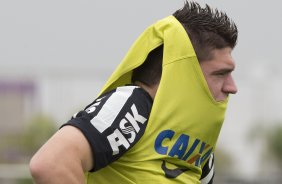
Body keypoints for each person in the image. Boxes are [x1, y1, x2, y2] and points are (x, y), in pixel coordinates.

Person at [29, 1, 238, 184]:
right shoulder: (134, 104)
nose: (232, 87)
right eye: (220, 73)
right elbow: (51, 164)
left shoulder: (198, 138)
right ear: (183, 73)